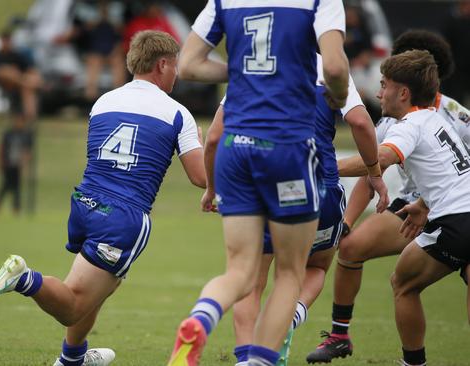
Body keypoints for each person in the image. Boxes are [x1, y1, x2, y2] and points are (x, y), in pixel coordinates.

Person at [166, 1, 389, 365]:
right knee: (290, 272)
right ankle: (261, 360)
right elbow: (334, 66)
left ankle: (200, 319)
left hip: (236, 151)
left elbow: (188, 65)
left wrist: (242, 72)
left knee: (241, 272)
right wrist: (335, 89)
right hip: (287, 151)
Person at [0, 30, 205, 366]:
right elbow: (200, 177)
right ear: (163, 65)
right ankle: (22, 278)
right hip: (123, 216)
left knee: (105, 285)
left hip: (84, 203)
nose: (177, 74)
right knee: (73, 306)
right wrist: (206, 145)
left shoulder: (103, 101)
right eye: (175, 66)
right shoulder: (176, 112)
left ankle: (72, 358)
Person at [307, 30, 470, 364]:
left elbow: (378, 160)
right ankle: (342, 337)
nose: (378, 92)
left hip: (455, 219)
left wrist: (324, 166)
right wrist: (425, 204)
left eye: (384, 85)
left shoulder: (415, 123)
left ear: (404, 91)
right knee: (357, 251)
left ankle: (413, 362)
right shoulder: (431, 121)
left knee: (403, 283)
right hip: (441, 209)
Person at [226, 54, 376, 366]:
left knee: (252, 278)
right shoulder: (331, 68)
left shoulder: (255, 67)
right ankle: (290, 317)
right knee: (316, 267)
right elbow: (361, 121)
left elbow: (216, 133)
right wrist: (374, 171)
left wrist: (215, 187)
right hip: (322, 190)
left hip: (268, 189)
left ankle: (245, 358)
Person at [0, 31, 42, 122]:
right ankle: (27, 84)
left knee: (27, 88)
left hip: (16, 84)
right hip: (2, 82)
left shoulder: (16, 55)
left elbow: (28, 69)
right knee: (6, 71)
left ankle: (30, 117)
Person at [0, 118, 33, 215]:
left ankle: (16, 208)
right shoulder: (9, 134)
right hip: (8, 164)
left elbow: (27, 150)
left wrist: (25, 162)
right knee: (6, 185)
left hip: (18, 165)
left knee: (17, 187)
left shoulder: (25, 135)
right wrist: (0, 161)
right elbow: (2, 147)